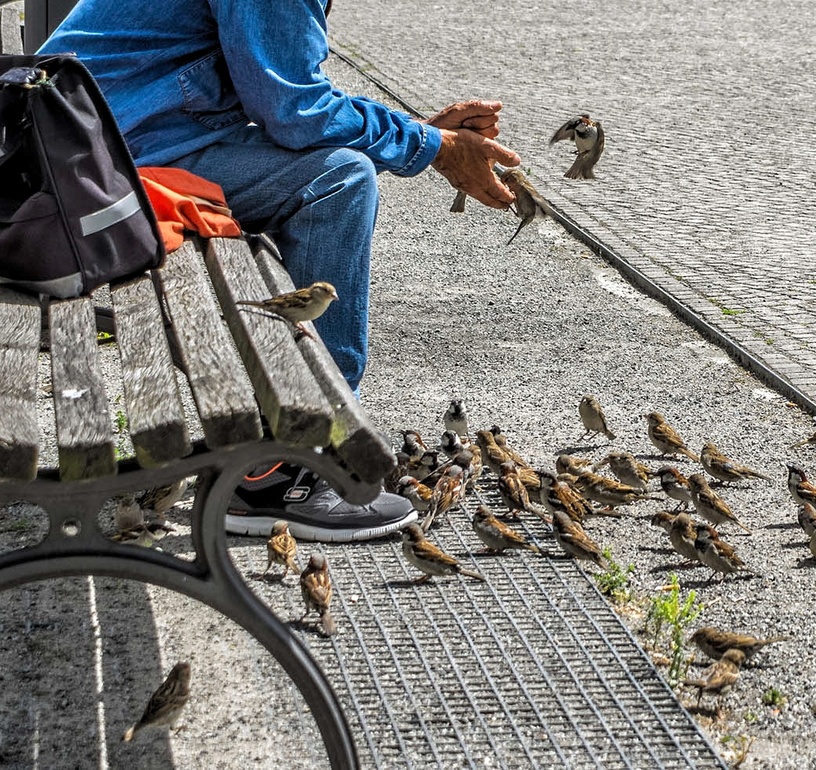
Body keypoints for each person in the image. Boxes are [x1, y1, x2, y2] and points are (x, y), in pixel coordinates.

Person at [39, 0, 521, 542]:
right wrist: (430, 145)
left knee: (338, 168)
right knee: (340, 182)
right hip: (94, 179)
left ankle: (293, 442)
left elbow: (282, 98)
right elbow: (295, 112)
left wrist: (414, 134)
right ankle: (293, 463)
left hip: (82, 157)